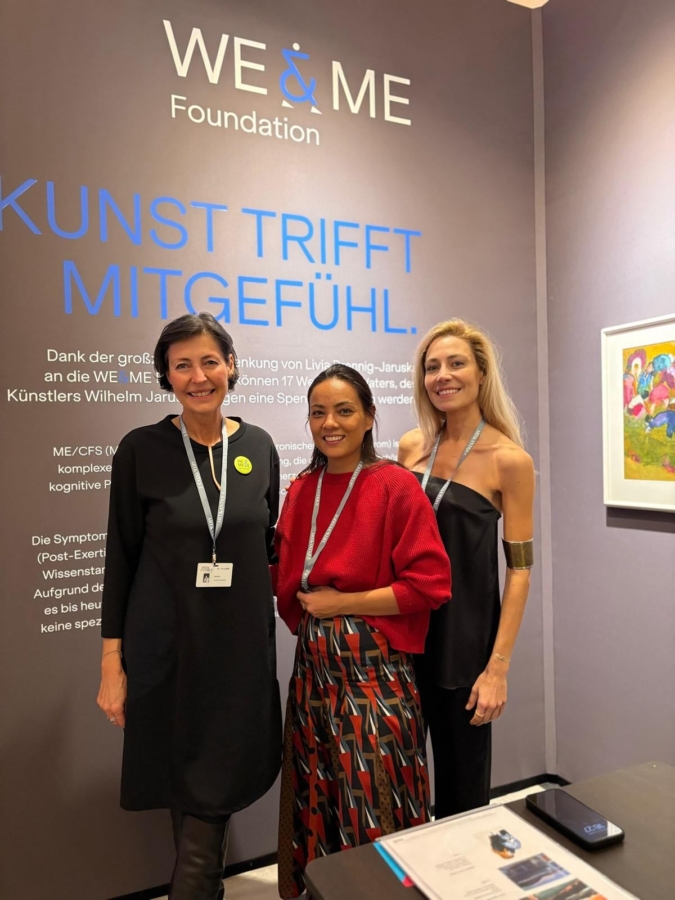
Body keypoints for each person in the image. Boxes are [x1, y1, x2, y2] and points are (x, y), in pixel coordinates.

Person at [97, 313, 282, 900]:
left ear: (230, 365)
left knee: (211, 789)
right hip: (168, 655)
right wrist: (112, 665)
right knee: (187, 788)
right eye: (182, 365)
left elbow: (266, 544)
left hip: (238, 656)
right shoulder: (141, 450)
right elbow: (120, 561)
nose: (198, 376)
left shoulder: (259, 447)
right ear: (166, 376)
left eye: (209, 361)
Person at [273, 364, 451, 899]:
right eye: (318, 412)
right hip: (314, 673)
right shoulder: (301, 488)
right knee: (319, 792)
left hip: (374, 674)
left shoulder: (394, 485)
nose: (330, 423)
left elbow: (429, 586)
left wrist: (341, 603)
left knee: (373, 794)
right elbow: (284, 573)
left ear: (370, 417)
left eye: (345, 410)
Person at [398, 319, 535, 819]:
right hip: (404, 638)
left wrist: (497, 668)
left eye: (456, 363)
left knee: (463, 798)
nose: (442, 375)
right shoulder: (412, 447)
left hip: (464, 648)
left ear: (480, 373)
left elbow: (519, 572)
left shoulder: (509, 459)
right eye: (432, 366)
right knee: (402, 783)